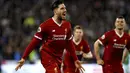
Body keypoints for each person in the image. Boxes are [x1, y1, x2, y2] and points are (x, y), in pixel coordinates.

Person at [15, 0, 84, 73]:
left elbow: (69, 44)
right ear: (55, 11)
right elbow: (34, 42)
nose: (65, 10)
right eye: (62, 8)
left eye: (65, 8)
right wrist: (24, 58)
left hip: (58, 57)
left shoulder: (67, 25)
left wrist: (75, 59)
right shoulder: (45, 25)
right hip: (47, 56)